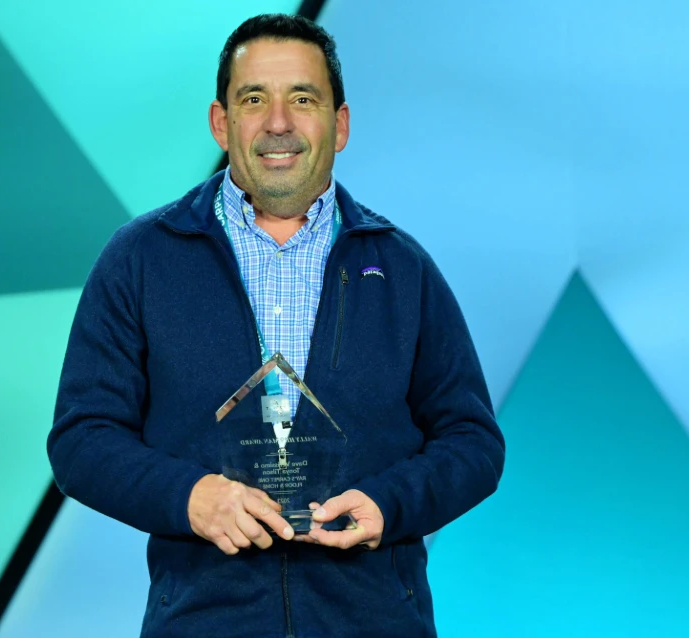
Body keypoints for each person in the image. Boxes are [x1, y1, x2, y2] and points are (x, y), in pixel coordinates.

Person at [48, 13, 505, 638]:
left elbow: (473, 442)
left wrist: (388, 504)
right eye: (254, 98)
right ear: (221, 122)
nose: (279, 122)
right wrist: (192, 497)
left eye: (303, 98)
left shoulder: (401, 268)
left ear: (339, 125)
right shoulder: (140, 260)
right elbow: (81, 440)